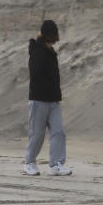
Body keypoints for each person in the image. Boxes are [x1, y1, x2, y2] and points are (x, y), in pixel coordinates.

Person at [23, 19, 72, 176]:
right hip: (39, 100)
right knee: (37, 134)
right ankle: (29, 162)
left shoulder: (50, 52)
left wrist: (55, 93)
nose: (56, 36)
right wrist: (48, 89)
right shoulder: (38, 51)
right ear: (49, 35)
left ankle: (56, 164)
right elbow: (36, 76)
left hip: (53, 100)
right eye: (54, 33)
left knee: (59, 132)